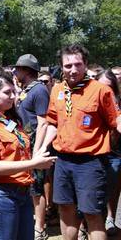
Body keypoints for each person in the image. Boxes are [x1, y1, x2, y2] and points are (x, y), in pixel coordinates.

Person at [38, 44, 121, 240]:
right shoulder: (57, 90)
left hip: (90, 163)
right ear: (61, 67)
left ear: (85, 65)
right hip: (63, 161)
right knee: (65, 210)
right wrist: (42, 148)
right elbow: (52, 123)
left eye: (78, 64)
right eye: (68, 66)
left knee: (92, 214)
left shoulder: (101, 91)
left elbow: (115, 120)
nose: (73, 69)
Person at [0, 69, 56, 240]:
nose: (13, 96)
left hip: (22, 192)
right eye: (7, 92)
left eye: (14, 91)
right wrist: (33, 164)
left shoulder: (11, 122)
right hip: (0, 194)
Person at [14, 54, 50, 240]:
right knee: (29, 186)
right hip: (24, 144)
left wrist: (37, 151)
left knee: (36, 188)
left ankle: (39, 228)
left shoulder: (40, 90)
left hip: (35, 145)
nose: (15, 71)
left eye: (18, 68)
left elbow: (44, 123)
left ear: (27, 70)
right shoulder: (27, 89)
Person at [95, 69, 121, 236]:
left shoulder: (118, 103)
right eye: (101, 86)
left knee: (111, 189)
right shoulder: (89, 102)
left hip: (115, 154)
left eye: (109, 87)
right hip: (94, 154)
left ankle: (110, 217)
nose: (105, 90)